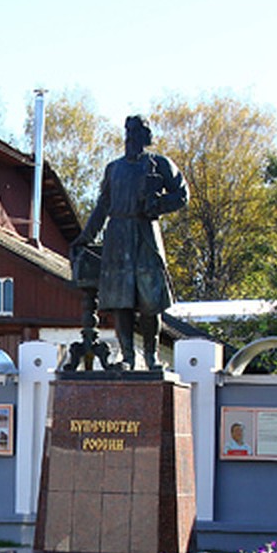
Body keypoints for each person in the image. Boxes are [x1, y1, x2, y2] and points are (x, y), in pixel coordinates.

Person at [70, 115, 188, 370]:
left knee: (150, 299)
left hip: (145, 231)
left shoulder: (159, 164)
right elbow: (102, 205)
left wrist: (157, 205)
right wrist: (85, 237)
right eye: (129, 132)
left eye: (138, 132)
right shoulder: (114, 168)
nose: (132, 137)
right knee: (120, 300)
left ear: (146, 136)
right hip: (118, 236)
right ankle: (127, 356)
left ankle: (151, 356)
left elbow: (182, 194)